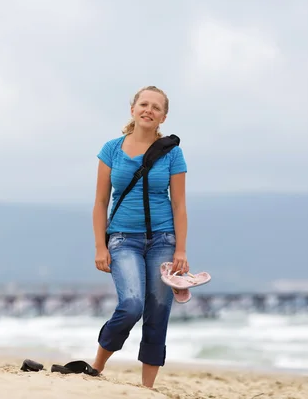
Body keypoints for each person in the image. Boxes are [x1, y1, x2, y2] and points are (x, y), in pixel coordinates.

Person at [91, 85, 188, 388]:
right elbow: (100, 202)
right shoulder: (111, 149)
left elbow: (179, 204)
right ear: (133, 109)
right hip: (122, 239)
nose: (149, 110)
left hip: (163, 240)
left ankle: (147, 389)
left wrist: (181, 251)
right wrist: (99, 246)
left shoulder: (172, 153)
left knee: (158, 312)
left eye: (156, 107)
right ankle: (96, 366)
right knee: (132, 304)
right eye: (143, 104)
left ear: (164, 117)